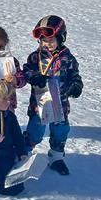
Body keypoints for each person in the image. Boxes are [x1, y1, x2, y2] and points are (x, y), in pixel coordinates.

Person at [23, 15, 83, 175]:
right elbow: (26, 71)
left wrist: (76, 85)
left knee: (60, 131)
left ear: (61, 38)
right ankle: (24, 153)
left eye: (51, 40)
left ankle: (56, 157)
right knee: (35, 130)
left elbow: (74, 75)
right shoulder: (35, 57)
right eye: (44, 40)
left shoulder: (67, 58)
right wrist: (33, 77)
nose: (47, 43)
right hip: (40, 102)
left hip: (60, 103)